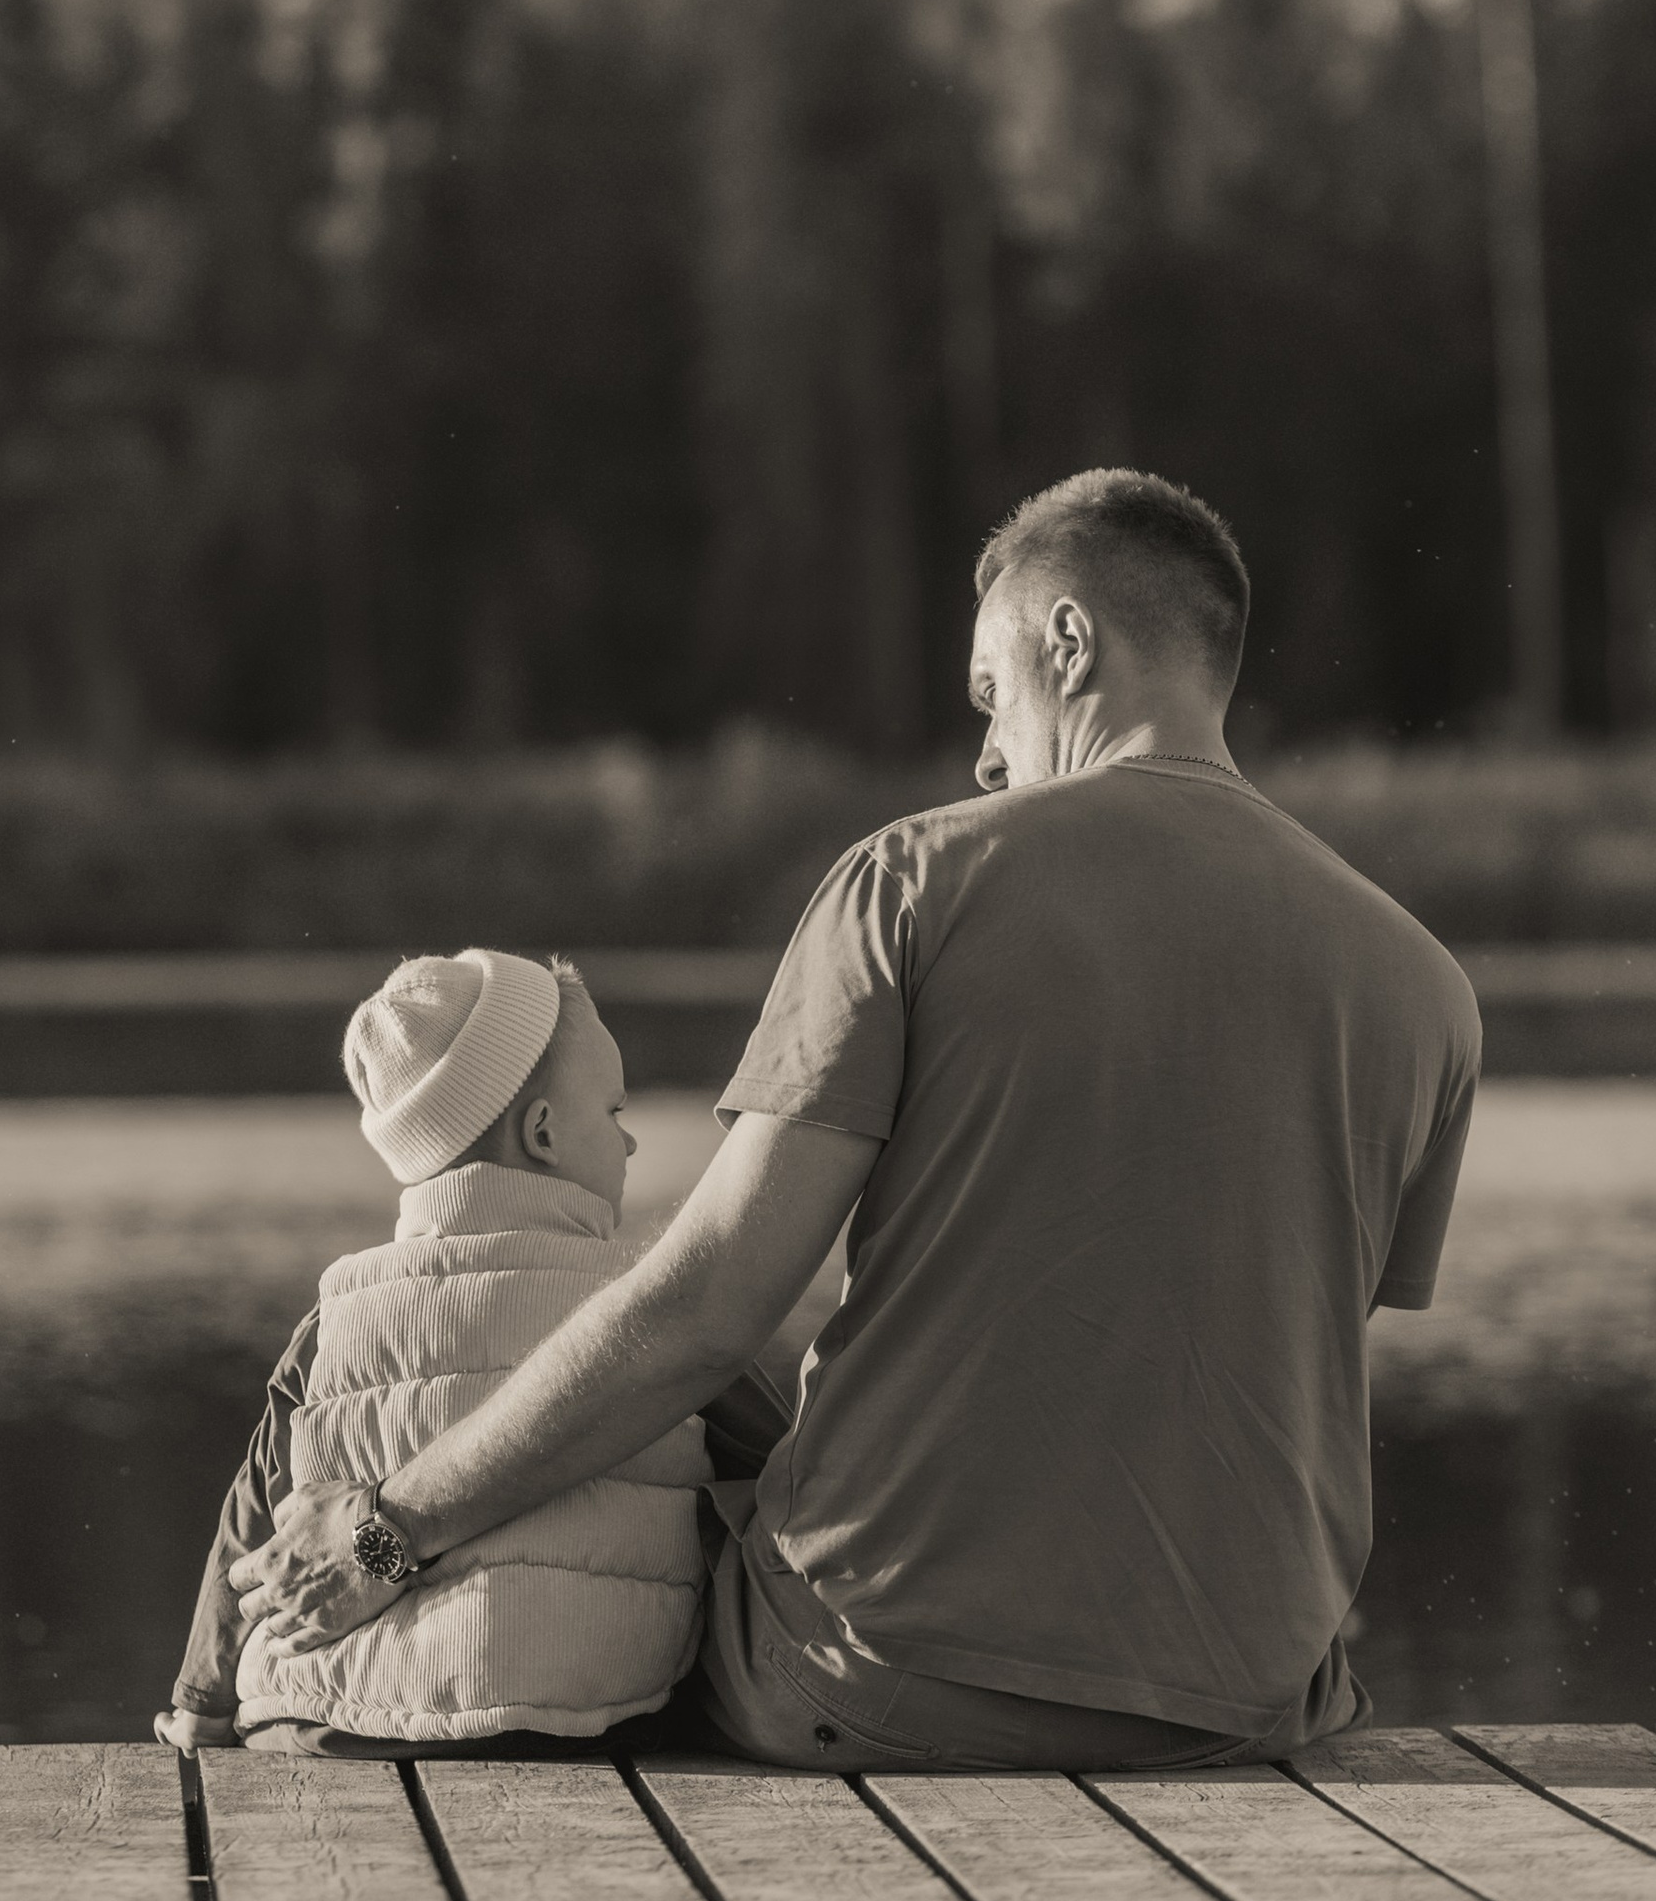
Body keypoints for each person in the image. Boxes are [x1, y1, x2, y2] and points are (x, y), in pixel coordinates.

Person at [232, 467, 1484, 1770]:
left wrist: (390, 1525)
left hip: (878, 1674)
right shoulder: (1424, 986)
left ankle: (242, 1691)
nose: (988, 755)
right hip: (1253, 1700)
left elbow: (705, 1312)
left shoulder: (915, 886)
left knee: (553, 1425)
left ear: (1071, 640)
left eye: (993, 696)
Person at [161, 946, 710, 1752]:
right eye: (615, 1114)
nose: (629, 1147)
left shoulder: (339, 1314)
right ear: (546, 1133)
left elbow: (250, 1514)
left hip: (333, 1718)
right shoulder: (644, 1302)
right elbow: (772, 1461)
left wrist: (202, 1701)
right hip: (589, 1719)